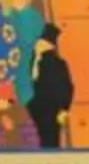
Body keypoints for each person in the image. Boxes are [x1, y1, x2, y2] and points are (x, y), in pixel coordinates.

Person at [29, 23, 73, 151]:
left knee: (49, 142)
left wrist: (64, 109)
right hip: (32, 108)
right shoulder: (31, 59)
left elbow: (66, 88)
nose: (37, 45)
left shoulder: (57, 63)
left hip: (50, 111)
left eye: (40, 42)